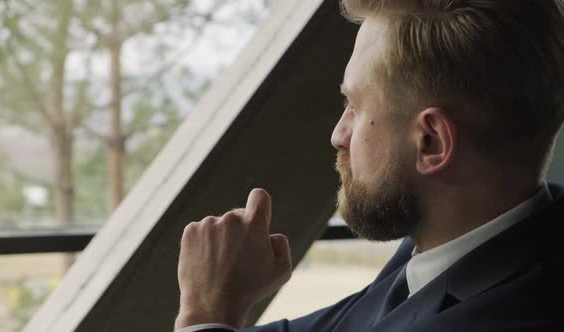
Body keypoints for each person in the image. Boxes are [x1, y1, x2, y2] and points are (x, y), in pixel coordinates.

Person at [174, 1, 564, 331]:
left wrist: (206, 310)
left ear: (431, 141)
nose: (338, 134)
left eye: (355, 107)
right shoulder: (451, 250)